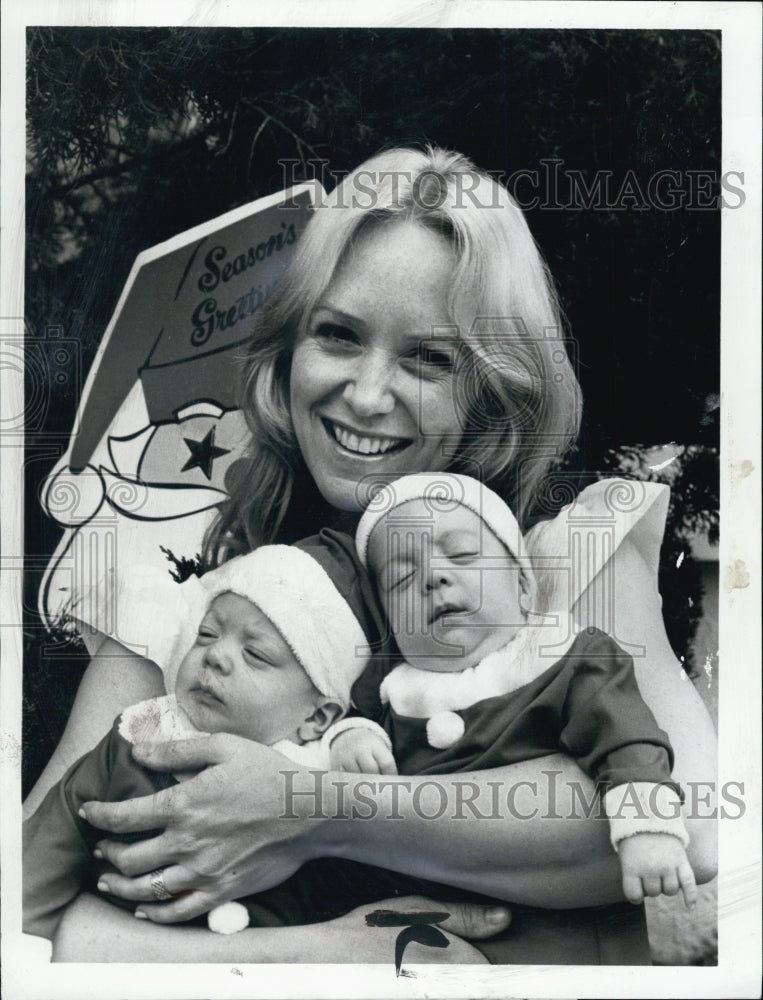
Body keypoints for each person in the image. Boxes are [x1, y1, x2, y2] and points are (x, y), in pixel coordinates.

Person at [26, 146, 717, 964]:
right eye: (339, 336)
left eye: (428, 358)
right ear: (288, 349)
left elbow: (697, 821)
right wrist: (329, 956)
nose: (364, 394)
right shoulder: (204, 604)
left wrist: (312, 809)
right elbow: (42, 904)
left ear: (494, 387)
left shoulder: (563, 557)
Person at [332, 472, 697, 911]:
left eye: (463, 555)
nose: (433, 578)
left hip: (556, 927)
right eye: (401, 579)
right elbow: (350, 732)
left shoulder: (564, 658)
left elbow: (625, 735)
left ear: (524, 585)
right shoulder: (396, 693)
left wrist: (648, 825)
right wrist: (353, 736)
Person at [24, 543, 380, 941]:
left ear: (316, 718)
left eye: (256, 654)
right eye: (206, 634)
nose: (216, 655)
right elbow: (51, 847)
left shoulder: (317, 792)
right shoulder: (137, 739)